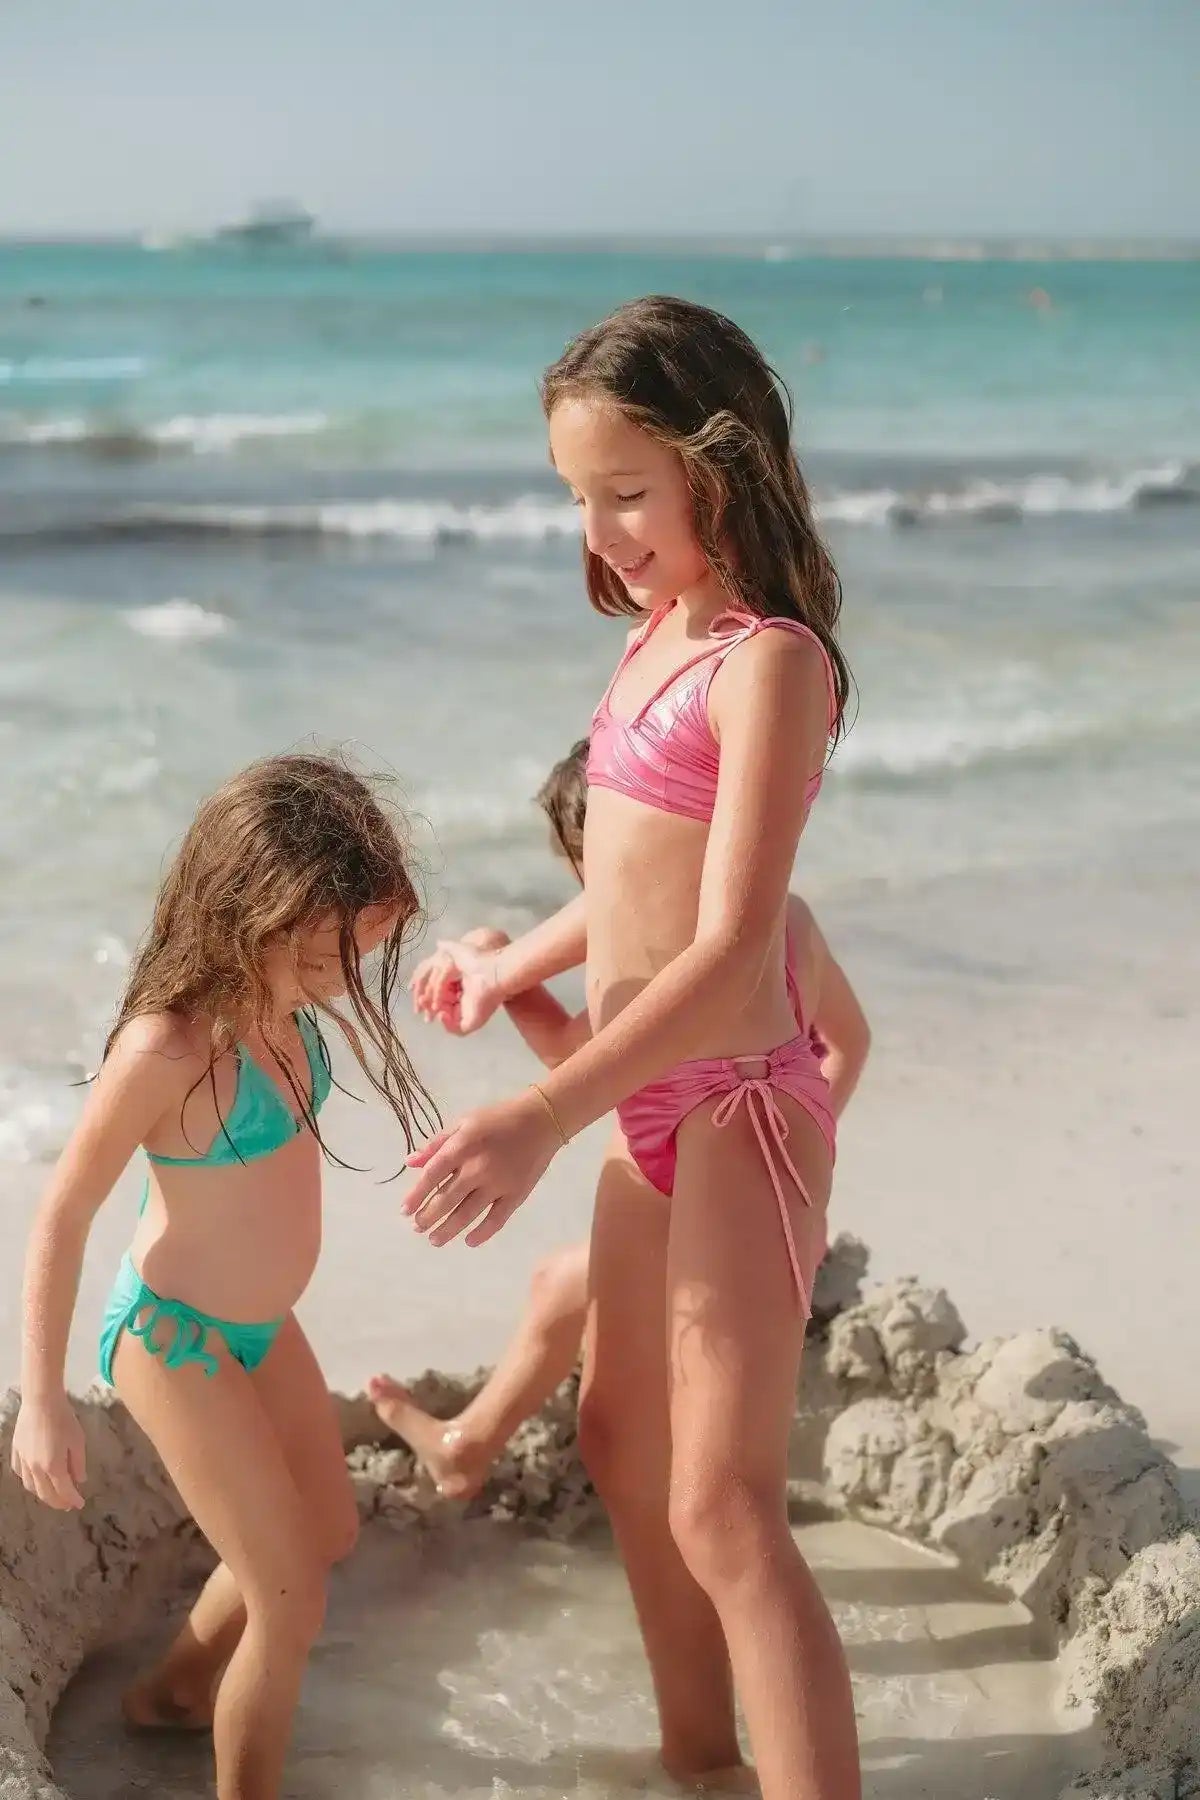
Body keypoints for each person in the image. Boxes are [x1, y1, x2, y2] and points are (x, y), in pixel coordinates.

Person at [400, 296, 862, 1798]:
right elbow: (625, 888)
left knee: (726, 1509)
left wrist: (538, 1114)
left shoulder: (768, 661)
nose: (599, 531)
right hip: (651, 1100)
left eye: (625, 493)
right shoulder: (654, 639)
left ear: (719, 470)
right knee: (616, 1433)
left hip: (735, 1101)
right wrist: (507, 964)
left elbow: (731, 952)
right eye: (575, 500)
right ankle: (695, 1759)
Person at [12, 752, 435, 1800]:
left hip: (263, 1326)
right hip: (176, 1338)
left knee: (324, 1535)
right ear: (259, 911)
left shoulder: (285, 1016)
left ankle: (173, 1691)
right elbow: (62, 1215)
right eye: (335, 954)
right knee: (290, 1602)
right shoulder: (168, 1047)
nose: (349, 977)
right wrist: (44, 1406)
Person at [371, 740, 869, 1506]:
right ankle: (469, 1441)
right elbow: (850, 1041)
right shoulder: (787, 918)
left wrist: (503, 967)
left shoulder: (658, 951)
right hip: (771, 1185)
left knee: (581, 1321)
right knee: (560, 1286)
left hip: (707, 1197)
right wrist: (800, 1156)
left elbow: (578, 1061)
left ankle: (470, 1446)